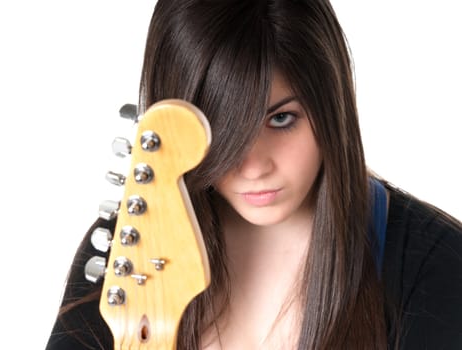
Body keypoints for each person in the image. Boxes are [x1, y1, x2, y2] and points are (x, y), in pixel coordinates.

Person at [46, 0, 462, 349]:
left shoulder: (437, 266)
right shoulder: (133, 255)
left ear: (331, 107)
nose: (253, 165)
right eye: (220, 126)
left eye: (281, 118)